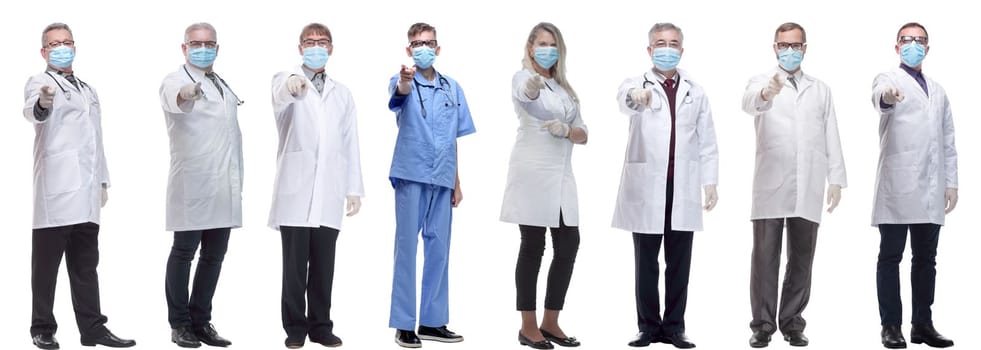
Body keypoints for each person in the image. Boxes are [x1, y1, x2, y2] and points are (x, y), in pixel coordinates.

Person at [22, 22, 136, 350]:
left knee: (86, 266)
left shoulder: (88, 89)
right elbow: (33, 112)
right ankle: (42, 328)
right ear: (44, 52)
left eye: (67, 42)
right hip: (56, 191)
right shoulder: (39, 82)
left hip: (86, 192)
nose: (62, 47)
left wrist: (103, 180)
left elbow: (95, 140)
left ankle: (93, 329)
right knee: (45, 267)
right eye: (54, 43)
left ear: (75, 46)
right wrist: (43, 102)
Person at [740, 22, 847, 348]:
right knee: (765, 258)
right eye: (783, 45)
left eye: (796, 45)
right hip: (771, 182)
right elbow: (749, 104)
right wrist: (767, 92)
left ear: (805, 48)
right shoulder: (760, 81)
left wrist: (836, 179)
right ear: (774, 47)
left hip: (809, 183)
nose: (790, 50)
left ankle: (792, 322)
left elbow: (831, 133)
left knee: (802, 259)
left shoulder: (821, 89)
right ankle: (762, 325)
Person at [613, 22, 718, 350]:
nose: (667, 48)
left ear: (682, 50)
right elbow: (623, 100)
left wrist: (710, 182)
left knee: (678, 263)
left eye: (673, 43)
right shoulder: (636, 83)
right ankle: (647, 327)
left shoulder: (695, 90)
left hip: (682, 187)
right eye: (660, 43)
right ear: (649, 50)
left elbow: (708, 140)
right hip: (647, 188)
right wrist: (636, 97)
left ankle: (674, 328)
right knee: (646, 262)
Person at [269, 23, 365, 349]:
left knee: (324, 266)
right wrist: (294, 85)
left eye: (322, 42)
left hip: (330, 191)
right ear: (299, 48)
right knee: (294, 268)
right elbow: (282, 96)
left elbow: (350, 143)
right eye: (309, 42)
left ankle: (321, 327)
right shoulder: (284, 79)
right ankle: (295, 328)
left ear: (332, 48)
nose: (316, 46)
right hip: (296, 190)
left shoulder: (343, 93)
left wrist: (353, 189)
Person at [386, 22, 475, 348]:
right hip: (411, 174)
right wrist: (406, 81)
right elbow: (399, 95)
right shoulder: (402, 80)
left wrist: (457, 181)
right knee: (407, 249)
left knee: (439, 250)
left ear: (438, 48)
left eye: (429, 42)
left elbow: (453, 138)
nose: (424, 47)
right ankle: (404, 325)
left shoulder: (453, 88)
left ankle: (433, 322)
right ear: (409, 49)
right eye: (417, 43)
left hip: (442, 178)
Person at [871, 22, 957, 350]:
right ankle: (891, 326)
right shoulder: (888, 79)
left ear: (928, 48)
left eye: (920, 40)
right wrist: (888, 97)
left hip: (931, 189)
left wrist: (951, 184)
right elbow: (878, 98)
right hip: (898, 185)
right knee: (890, 256)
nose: (913, 45)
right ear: (897, 47)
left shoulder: (939, 90)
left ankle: (922, 324)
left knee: (926, 259)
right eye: (907, 40)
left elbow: (948, 140)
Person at [501, 22, 586, 350]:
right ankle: (527, 326)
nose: (548, 49)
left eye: (553, 44)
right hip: (533, 172)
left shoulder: (565, 88)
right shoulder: (523, 78)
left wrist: (568, 131)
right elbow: (527, 99)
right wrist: (534, 89)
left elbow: (584, 132)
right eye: (542, 44)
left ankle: (551, 321)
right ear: (530, 47)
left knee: (569, 243)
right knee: (533, 245)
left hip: (562, 175)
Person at [159, 22, 242, 348]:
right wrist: (187, 94)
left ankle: (201, 321)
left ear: (217, 48)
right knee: (184, 252)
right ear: (184, 48)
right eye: (196, 43)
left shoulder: (220, 82)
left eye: (209, 43)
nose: (202, 48)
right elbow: (174, 98)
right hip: (193, 183)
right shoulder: (175, 79)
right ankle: (179, 324)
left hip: (224, 184)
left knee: (214, 256)